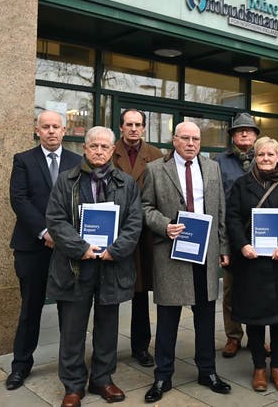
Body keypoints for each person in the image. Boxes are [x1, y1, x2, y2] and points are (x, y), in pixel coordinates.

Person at [45, 126, 142, 407]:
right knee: (73, 331)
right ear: (85, 149)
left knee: (107, 328)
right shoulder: (67, 181)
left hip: (111, 267)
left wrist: (117, 250)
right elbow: (56, 220)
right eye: (94, 146)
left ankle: (102, 378)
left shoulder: (127, 183)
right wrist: (82, 248)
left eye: (105, 147)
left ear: (113, 151)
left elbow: (134, 222)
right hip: (76, 267)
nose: (99, 151)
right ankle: (73, 385)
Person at [141, 121, 231, 403]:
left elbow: (220, 209)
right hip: (171, 251)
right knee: (168, 318)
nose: (191, 143)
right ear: (174, 140)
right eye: (185, 138)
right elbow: (144, 208)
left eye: (196, 138)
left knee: (205, 316)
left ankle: (208, 371)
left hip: (205, 250)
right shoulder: (156, 169)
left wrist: (223, 246)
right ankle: (162, 375)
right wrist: (165, 226)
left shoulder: (212, 167)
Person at [226, 136, 278, 393]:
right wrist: (242, 244)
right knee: (256, 317)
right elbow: (233, 217)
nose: (266, 159)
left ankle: (277, 367)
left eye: (271, 154)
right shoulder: (242, 184)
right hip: (251, 262)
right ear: (255, 156)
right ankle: (259, 366)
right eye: (261, 154)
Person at [6, 110, 80, 390]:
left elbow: (80, 202)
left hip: (66, 249)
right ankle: (20, 366)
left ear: (64, 131)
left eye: (56, 127)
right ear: (37, 130)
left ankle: (71, 366)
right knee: (30, 308)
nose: (51, 131)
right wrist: (46, 232)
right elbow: (19, 199)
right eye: (45, 127)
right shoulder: (23, 160)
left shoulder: (77, 161)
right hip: (32, 247)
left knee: (69, 310)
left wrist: (61, 235)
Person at [112, 109, 163, 367]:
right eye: (129, 124)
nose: (133, 129)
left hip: (144, 237)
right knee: (108, 294)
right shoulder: (108, 151)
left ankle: (141, 347)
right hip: (115, 234)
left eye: (138, 124)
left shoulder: (155, 156)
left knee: (141, 295)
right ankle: (106, 348)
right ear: (121, 127)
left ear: (144, 128)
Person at [213, 112, 259, 358]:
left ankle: (257, 336)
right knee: (230, 291)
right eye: (239, 130)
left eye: (248, 130)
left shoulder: (264, 159)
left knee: (257, 290)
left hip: (260, 235)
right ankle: (233, 336)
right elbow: (216, 201)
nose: (244, 134)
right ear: (232, 136)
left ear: (255, 136)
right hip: (231, 235)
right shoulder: (219, 162)